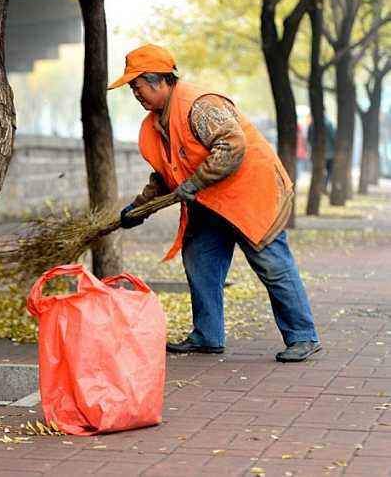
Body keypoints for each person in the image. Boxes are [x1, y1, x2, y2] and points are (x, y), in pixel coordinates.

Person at [110, 44, 320, 363]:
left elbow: (232, 146)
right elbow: (166, 176)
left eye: (137, 86)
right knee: (199, 260)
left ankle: (303, 336)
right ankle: (207, 335)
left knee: (272, 265)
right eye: (132, 89)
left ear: (159, 80)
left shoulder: (200, 105)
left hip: (250, 195)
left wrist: (193, 184)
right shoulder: (157, 123)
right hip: (211, 201)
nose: (135, 94)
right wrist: (138, 209)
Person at [307, 115, 336, 193]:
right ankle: (324, 186)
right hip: (329, 153)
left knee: (318, 171)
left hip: (316, 153)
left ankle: (319, 187)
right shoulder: (329, 124)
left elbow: (309, 139)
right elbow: (333, 137)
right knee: (329, 171)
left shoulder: (311, 125)